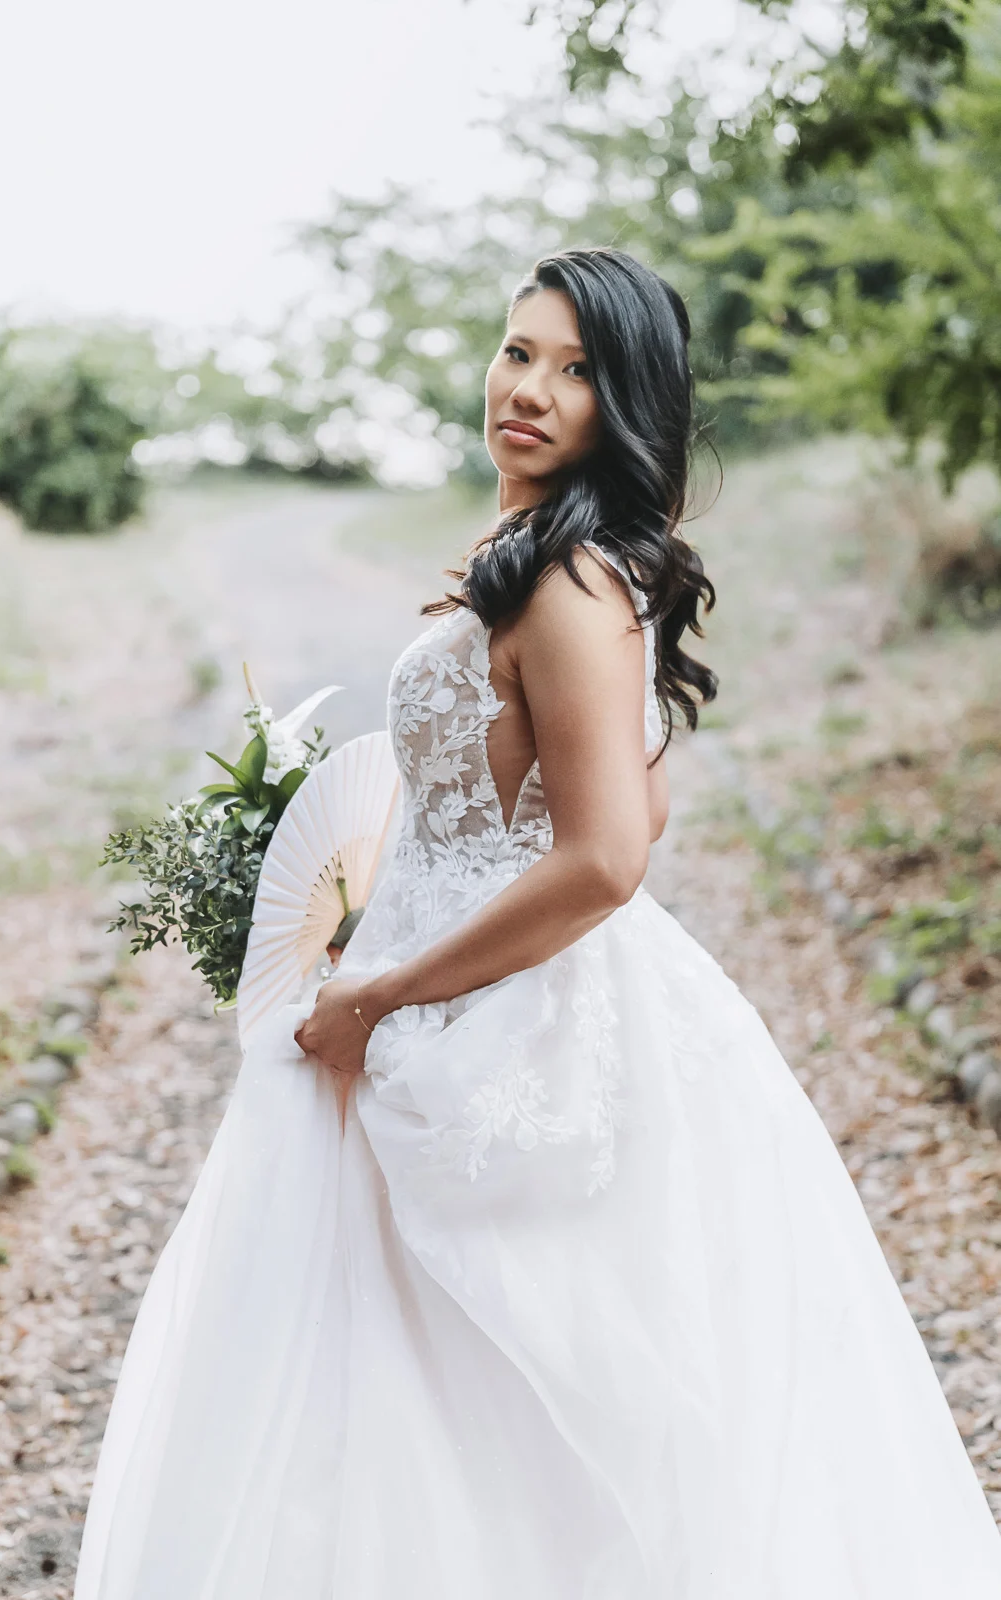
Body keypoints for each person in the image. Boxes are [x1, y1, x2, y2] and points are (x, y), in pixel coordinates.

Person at [74, 249, 1001, 1598]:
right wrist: (374, 894)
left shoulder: (568, 583)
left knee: (489, 1388)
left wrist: (383, 991)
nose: (529, 389)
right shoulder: (547, 566)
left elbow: (608, 858)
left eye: (575, 372)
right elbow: (615, 803)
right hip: (444, 967)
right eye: (518, 352)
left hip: (503, 1025)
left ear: (622, 409)